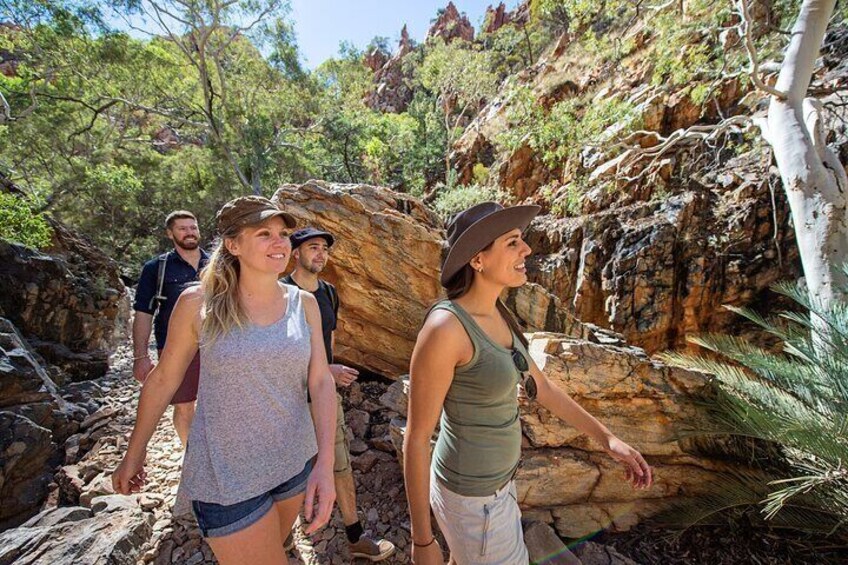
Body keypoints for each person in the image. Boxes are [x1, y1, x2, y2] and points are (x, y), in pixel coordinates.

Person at [404, 202, 653, 565]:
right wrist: (422, 542)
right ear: (478, 260)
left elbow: (544, 389)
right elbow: (416, 436)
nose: (527, 250)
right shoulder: (447, 329)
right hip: (475, 503)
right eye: (512, 242)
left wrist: (608, 439)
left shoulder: (497, 313)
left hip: (497, 491)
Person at [113, 196, 337, 565]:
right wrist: (134, 454)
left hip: (293, 464)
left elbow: (321, 383)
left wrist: (324, 465)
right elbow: (163, 380)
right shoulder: (198, 303)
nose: (280, 242)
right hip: (226, 476)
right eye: (264, 233)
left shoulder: (304, 303)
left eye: (283, 233)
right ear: (233, 245)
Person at [282, 227, 396, 562]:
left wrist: (328, 377)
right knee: (288, 470)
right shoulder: (280, 293)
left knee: (340, 465)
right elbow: (274, 357)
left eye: (324, 249)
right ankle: (283, 536)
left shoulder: (329, 293)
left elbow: (327, 344)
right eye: (312, 247)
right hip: (285, 400)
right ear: (295, 253)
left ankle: (355, 536)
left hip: (322, 397)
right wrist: (324, 371)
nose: (320, 254)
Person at [132, 210, 208, 446]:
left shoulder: (217, 263)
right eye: (182, 228)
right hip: (174, 348)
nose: (189, 233)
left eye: (193, 227)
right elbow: (144, 313)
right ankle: (192, 456)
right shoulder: (156, 268)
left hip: (216, 344)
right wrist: (140, 356)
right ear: (170, 233)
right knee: (185, 406)